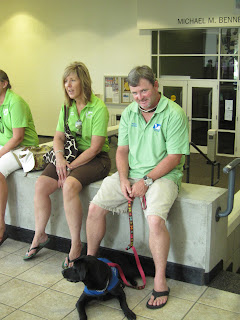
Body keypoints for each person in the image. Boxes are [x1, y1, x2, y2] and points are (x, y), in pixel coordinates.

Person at [86, 65, 189, 310]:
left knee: (154, 220)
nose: (139, 97)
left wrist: (147, 181)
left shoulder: (173, 113)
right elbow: (121, 150)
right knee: (94, 208)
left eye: (143, 91)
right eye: (134, 93)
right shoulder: (130, 112)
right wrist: (123, 178)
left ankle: (161, 281)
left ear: (155, 86)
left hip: (163, 176)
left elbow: (174, 157)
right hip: (130, 174)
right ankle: (90, 265)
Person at [24, 62, 111, 268]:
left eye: (72, 80)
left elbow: (96, 148)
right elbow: (57, 137)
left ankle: (76, 245)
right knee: (41, 185)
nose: (68, 85)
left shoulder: (98, 108)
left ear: (84, 81)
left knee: (69, 185)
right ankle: (40, 235)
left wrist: (69, 167)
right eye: (65, 81)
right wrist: (61, 159)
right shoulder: (66, 107)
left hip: (96, 159)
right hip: (70, 155)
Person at [0, 70, 39, 245]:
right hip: (7, 146)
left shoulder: (15, 102)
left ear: (4, 83)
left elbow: (18, 138)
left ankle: (1, 226)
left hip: (23, 148)